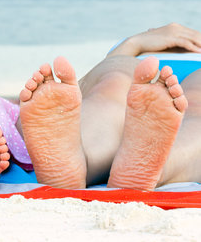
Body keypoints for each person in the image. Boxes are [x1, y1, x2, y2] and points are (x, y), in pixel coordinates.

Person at [18, 23, 201, 191]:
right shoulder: (133, 45)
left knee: (113, 88)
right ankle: (75, 162)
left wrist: (137, 42)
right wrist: (135, 42)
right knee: (114, 84)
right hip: (134, 66)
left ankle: (140, 164)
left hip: (150, 66)